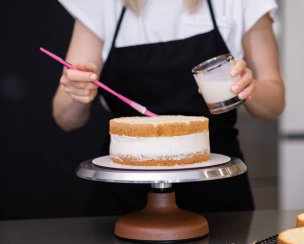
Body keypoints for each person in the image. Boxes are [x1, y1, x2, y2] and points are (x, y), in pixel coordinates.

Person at [53, 0, 285, 215]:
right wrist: (76, 90)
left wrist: (249, 87)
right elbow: (65, 118)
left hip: (217, 192)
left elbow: (274, 105)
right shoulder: (102, 5)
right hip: (124, 195)